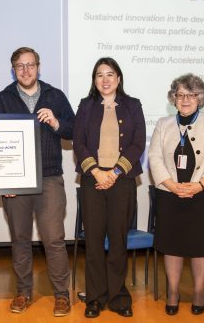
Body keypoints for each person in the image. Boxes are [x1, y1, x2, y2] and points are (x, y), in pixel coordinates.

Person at [0, 47, 75, 317]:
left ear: (39, 66)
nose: (25, 70)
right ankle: (23, 292)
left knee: (54, 240)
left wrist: (56, 122)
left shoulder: (55, 95)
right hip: (15, 182)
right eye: (19, 66)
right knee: (20, 240)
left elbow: (73, 130)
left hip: (49, 177)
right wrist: (5, 180)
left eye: (30, 65)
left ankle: (62, 296)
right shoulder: (2, 99)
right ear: (13, 69)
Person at [148, 73, 204, 315]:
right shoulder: (163, 124)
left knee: (200, 246)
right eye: (180, 95)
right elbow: (154, 157)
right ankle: (172, 291)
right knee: (172, 245)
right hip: (169, 195)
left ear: (200, 98)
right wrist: (171, 185)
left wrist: (200, 185)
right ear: (173, 99)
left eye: (191, 95)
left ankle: (198, 291)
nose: (185, 99)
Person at [73, 57, 146, 318]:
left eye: (110, 74)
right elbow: (78, 143)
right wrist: (95, 171)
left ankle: (118, 297)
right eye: (100, 75)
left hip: (122, 181)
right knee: (93, 243)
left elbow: (138, 143)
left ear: (118, 78)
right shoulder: (85, 106)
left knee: (118, 241)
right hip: (93, 182)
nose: (105, 80)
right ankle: (95, 298)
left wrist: (114, 172)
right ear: (94, 80)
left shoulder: (133, 105)